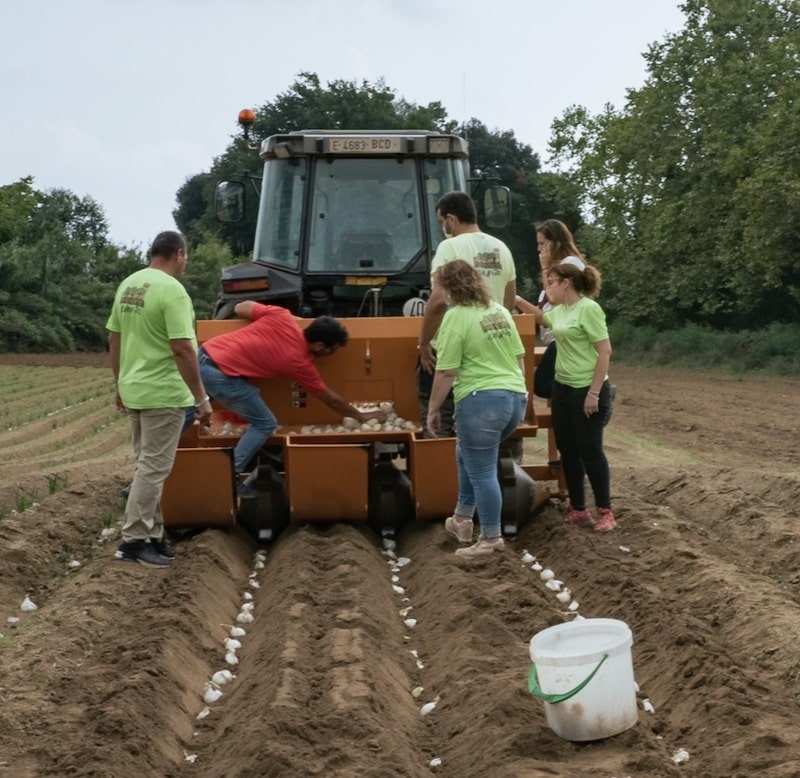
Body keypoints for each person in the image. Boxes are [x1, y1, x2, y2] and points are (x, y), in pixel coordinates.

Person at [198, 302, 386, 493]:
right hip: (220, 376)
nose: (333, 354)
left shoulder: (282, 316)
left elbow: (240, 307)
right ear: (320, 346)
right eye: (333, 350)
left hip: (203, 356)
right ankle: (230, 477)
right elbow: (331, 400)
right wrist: (362, 416)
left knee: (185, 416)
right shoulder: (299, 362)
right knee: (265, 424)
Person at [107, 230, 212, 568]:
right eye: (186, 257)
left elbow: (114, 337)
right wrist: (202, 398)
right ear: (179, 254)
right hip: (163, 393)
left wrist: (120, 382)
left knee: (146, 465)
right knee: (154, 468)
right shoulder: (173, 291)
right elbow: (182, 348)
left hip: (136, 389)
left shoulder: (129, 285)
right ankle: (134, 541)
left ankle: (154, 535)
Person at [426, 260, 528, 559]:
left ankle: (491, 538)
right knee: (467, 453)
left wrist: (433, 409)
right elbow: (520, 357)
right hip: (513, 398)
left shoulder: (456, 317)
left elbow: (446, 372)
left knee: (483, 469)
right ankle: (461, 519)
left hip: (481, 400)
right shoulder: (498, 311)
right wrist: (520, 392)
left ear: (448, 287)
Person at [527, 256, 616, 532]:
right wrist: (515, 299)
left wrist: (594, 393)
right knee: (568, 450)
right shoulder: (560, 311)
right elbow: (541, 317)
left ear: (566, 283)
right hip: (562, 389)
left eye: (551, 283)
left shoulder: (588, 309)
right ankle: (578, 508)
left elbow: (605, 351)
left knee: (590, 450)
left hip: (585, 390)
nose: (548, 288)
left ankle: (605, 511)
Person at [417, 191, 517, 437]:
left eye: (442, 222)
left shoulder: (449, 247)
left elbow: (439, 300)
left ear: (451, 219)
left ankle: (440, 463)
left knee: (439, 413)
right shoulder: (501, 248)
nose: (443, 227)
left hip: (456, 344)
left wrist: (423, 343)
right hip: (492, 348)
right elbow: (509, 301)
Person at [515, 219, 584, 400]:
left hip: (563, 338)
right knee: (546, 383)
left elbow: (553, 298)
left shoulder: (571, 263)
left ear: (555, 242)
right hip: (554, 340)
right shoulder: (556, 272)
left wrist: (545, 267)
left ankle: (587, 390)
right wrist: (517, 301)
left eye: (542, 244)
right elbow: (543, 315)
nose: (539, 249)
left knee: (541, 384)